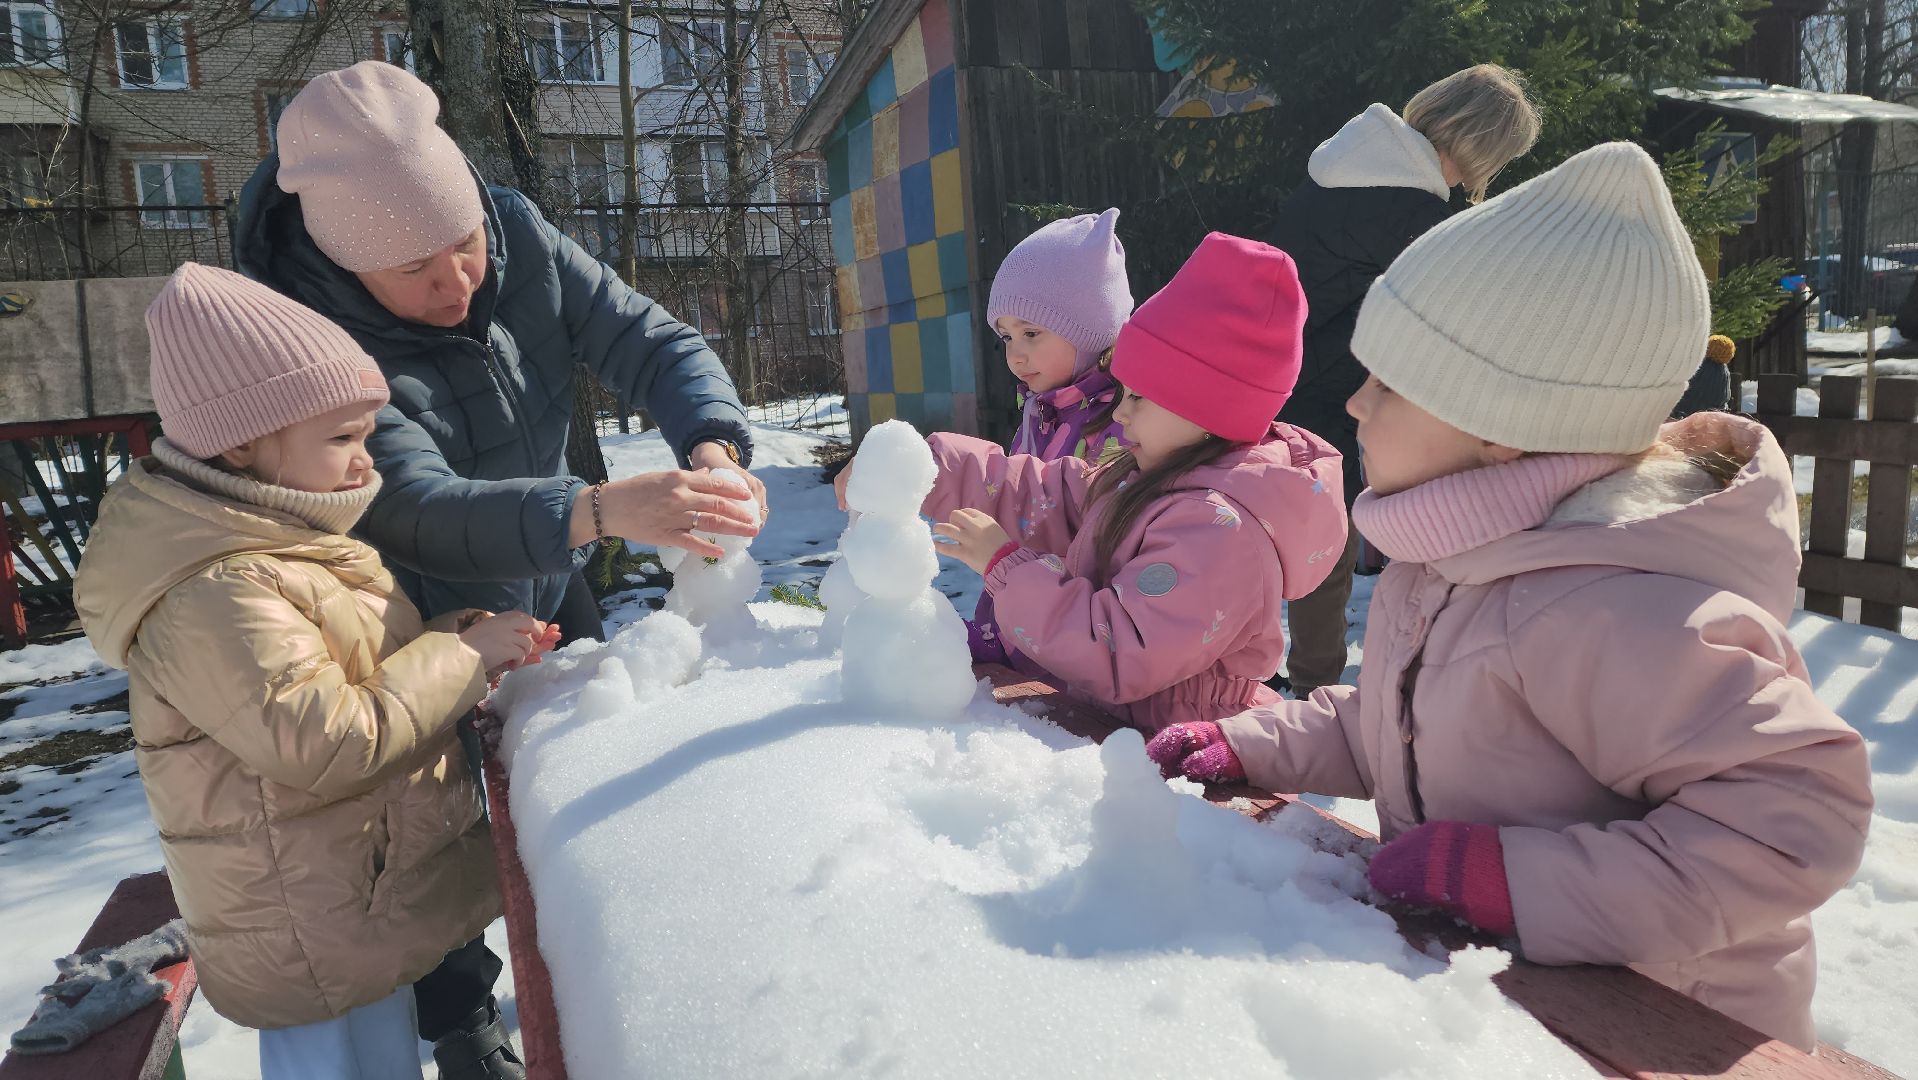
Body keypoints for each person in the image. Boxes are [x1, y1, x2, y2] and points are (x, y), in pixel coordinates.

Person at [1149, 144, 1874, 1051]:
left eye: (1391, 387)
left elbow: (1797, 819)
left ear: (1502, 429)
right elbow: (1394, 724)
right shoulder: (1456, 561)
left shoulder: (1610, 607)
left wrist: (1512, 880)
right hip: (1523, 1006)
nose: (1357, 407)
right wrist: (1249, 740)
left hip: (1660, 1030)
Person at [73, 264, 559, 1079]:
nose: (366, 463)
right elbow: (320, 737)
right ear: (241, 443)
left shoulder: (274, 544)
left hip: (339, 899)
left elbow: (340, 676)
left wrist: (446, 635)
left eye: (368, 434)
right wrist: (458, 660)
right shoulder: (216, 586)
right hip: (301, 929)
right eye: (341, 439)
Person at [234, 61, 763, 649]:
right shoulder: (300, 338)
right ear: (346, 263)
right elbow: (412, 507)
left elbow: (651, 342)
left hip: (552, 576)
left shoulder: (518, 235)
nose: (459, 285)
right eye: (413, 268)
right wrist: (599, 511)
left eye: (465, 242)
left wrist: (711, 441)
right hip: (422, 624)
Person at [842, 233, 1347, 733]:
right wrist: (929, 465)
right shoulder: (1148, 476)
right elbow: (1044, 494)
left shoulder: (1219, 530)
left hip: (1174, 763)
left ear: (1208, 408)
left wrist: (1005, 568)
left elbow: (1119, 652)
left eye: (1138, 398)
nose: (1120, 413)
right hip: (1113, 733)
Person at [1266, 63, 1540, 696]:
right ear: (1486, 145)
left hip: (1294, 368)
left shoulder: (1354, 170)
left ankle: (1295, 674)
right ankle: (1320, 687)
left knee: (1305, 531)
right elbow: (1453, 305)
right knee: (1333, 538)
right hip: (1329, 384)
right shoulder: (1406, 204)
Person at [969, 208, 1134, 663]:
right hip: (1020, 611)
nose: (1016, 355)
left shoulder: (1126, 419)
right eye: (1005, 337)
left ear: (1090, 329)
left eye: (1031, 332)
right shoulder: (1040, 408)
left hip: (1084, 637)